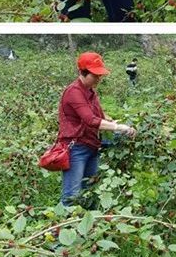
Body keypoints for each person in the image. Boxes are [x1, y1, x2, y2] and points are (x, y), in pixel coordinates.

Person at [58, 52, 137, 207]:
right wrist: (117, 127)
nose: (99, 79)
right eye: (95, 75)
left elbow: (99, 115)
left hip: (92, 145)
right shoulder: (74, 91)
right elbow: (90, 120)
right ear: (83, 72)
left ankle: (88, 227)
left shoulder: (90, 91)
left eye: (99, 75)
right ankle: (64, 228)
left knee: (90, 190)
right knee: (71, 195)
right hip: (76, 148)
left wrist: (112, 121)